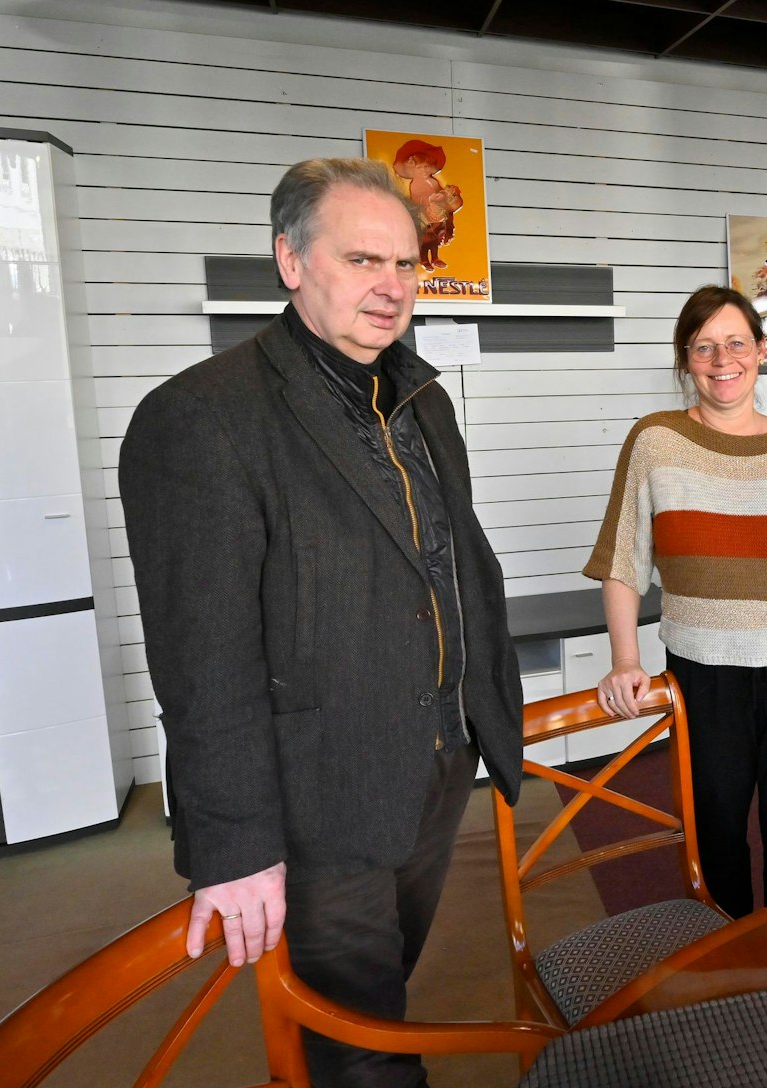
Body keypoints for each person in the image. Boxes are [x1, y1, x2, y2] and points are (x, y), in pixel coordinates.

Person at [121, 158, 523, 1086]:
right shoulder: (202, 418)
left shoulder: (421, 398)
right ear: (290, 261)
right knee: (362, 1043)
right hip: (319, 799)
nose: (391, 286)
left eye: (407, 264)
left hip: (431, 770)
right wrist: (235, 848)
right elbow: (202, 660)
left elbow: (454, 566)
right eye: (362, 259)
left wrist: (482, 716)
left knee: (380, 990)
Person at [584, 285, 767, 918]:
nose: (723, 360)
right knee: (714, 835)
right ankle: (726, 976)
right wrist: (625, 659)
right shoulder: (654, 442)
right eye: (704, 347)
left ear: (760, 351)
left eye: (736, 343)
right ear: (685, 359)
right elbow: (622, 559)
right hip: (702, 676)